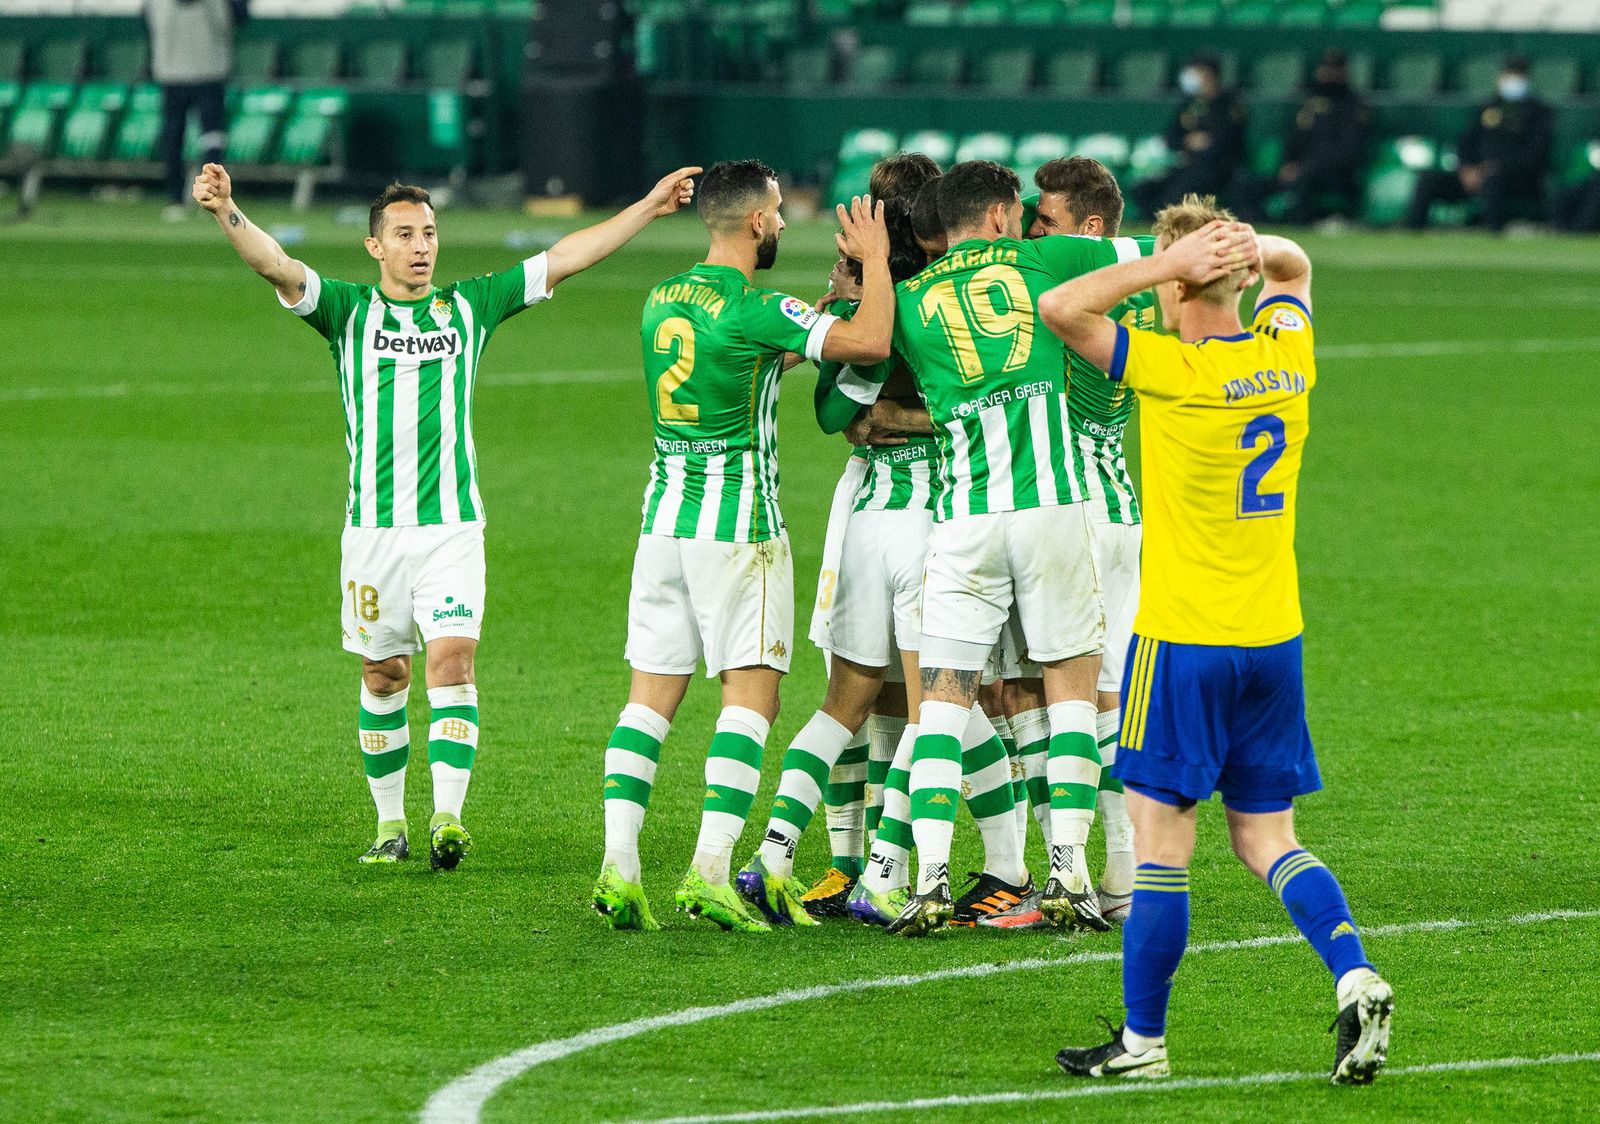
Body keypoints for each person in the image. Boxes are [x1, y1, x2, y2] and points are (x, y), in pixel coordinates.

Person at [192, 161, 700, 869]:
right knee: (385, 674)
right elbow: (275, 264)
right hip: (372, 532)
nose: (421, 246)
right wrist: (226, 211)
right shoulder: (346, 311)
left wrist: (647, 204)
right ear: (376, 247)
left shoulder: (471, 306)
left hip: (452, 528)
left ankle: (449, 819)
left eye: (428, 232)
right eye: (404, 234)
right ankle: (390, 824)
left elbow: (567, 256)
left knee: (453, 659)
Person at [1038, 196, 1394, 1083]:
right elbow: (1296, 266)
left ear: (1179, 280)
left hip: (1185, 643)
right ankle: (1354, 971)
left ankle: (1143, 1043)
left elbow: (1062, 308)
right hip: (1275, 639)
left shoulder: (1169, 370)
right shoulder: (1287, 359)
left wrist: (1171, 262)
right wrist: (1240, 251)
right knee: (1268, 837)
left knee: (1163, 845)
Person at [591, 161, 893, 934]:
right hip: (739, 530)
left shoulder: (664, 299)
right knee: (750, 696)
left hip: (663, 524)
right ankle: (710, 869)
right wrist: (878, 262)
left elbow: (735, 360)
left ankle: (619, 869)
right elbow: (869, 341)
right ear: (756, 222)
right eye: (781, 212)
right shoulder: (758, 305)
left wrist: (798, 335)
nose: (785, 223)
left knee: (648, 698)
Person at [887, 160, 1165, 936]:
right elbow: (1159, 255)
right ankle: (1072, 873)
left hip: (963, 517)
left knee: (943, 698)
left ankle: (929, 879)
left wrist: (874, 270)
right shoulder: (1044, 263)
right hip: (1055, 508)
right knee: (1073, 689)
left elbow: (864, 360)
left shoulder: (909, 300)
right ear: (1006, 215)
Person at [735, 153, 944, 927]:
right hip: (933, 511)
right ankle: (888, 872)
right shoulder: (935, 300)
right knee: (939, 710)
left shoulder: (859, 300)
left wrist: (879, 411)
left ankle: (774, 853)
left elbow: (836, 415)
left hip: (863, 512)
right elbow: (974, 406)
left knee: (845, 701)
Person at [1006, 155, 1149, 924]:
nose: (1033, 235)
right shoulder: (1147, 290)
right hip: (1119, 506)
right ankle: (1124, 883)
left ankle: (1070, 874)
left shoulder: (1074, 294)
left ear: (1091, 230)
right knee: (1107, 699)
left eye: (1049, 223)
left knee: (1061, 694)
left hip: (1076, 509)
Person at [1406, 56, 1553, 233]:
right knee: (1427, 180)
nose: (1512, 81)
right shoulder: (1487, 107)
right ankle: (1413, 231)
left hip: (1514, 179)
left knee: (1494, 182)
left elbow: (1534, 155)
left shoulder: (1538, 112)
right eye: (1509, 74)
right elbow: (1466, 141)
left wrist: (1496, 168)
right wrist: (1466, 168)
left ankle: (1492, 235)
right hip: (1475, 175)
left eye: (1517, 75)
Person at [1235, 48, 1371, 226]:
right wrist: (1287, 164)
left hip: (1335, 176)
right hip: (1299, 170)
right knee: (1244, 184)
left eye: (1334, 69)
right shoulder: (1307, 102)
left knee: (1306, 179)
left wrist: (1305, 167)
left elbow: (1347, 151)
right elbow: (1292, 140)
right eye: (1325, 68)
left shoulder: (1353, 107)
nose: (1327, 74)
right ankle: (1262, 225)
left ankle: (1304, 225)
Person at [148, 0, 245, 221]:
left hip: (186, 73)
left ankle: (192, 199)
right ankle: (199, 199)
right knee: (188, 137)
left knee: (202, 138)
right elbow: (238, 17)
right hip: (200, 72)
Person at [1131, 54, 1248, 220]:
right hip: (1186, 164)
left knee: (1175, 194)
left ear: (1209, 74)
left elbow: (1229, 140)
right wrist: (1187, 142)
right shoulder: (1190, 104)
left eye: (1197, 71)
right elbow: (1170, 137)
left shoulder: (1229, 103)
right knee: (1144, 189)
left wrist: (1207, 144)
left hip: (1218, 168)